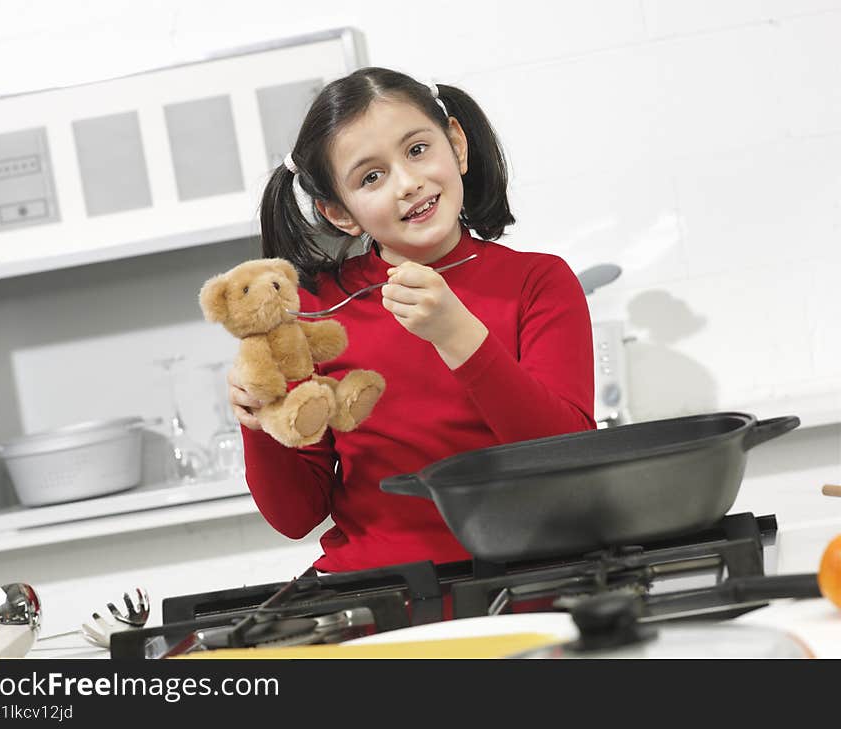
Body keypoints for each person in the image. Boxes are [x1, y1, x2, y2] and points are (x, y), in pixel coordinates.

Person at [227, 67, 595, 573]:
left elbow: (568, 459)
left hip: (531, 582)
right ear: (339, 212)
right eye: (371, 177)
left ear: (457, 146)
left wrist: (458, 336)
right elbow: (295, 516)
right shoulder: (316, 311)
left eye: (418, 150)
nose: (408, 183)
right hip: (376, 599)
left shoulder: (540, 282)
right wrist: (259, 420)